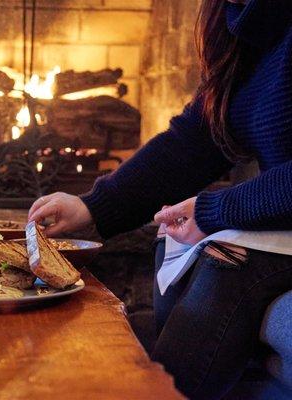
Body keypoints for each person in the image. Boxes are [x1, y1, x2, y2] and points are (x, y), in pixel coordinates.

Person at [29, 0, 292, 398]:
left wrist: (215, 211)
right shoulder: (244, 26)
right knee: (172, 240)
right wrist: (93, 206)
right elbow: (197, 139)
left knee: (226, 262)